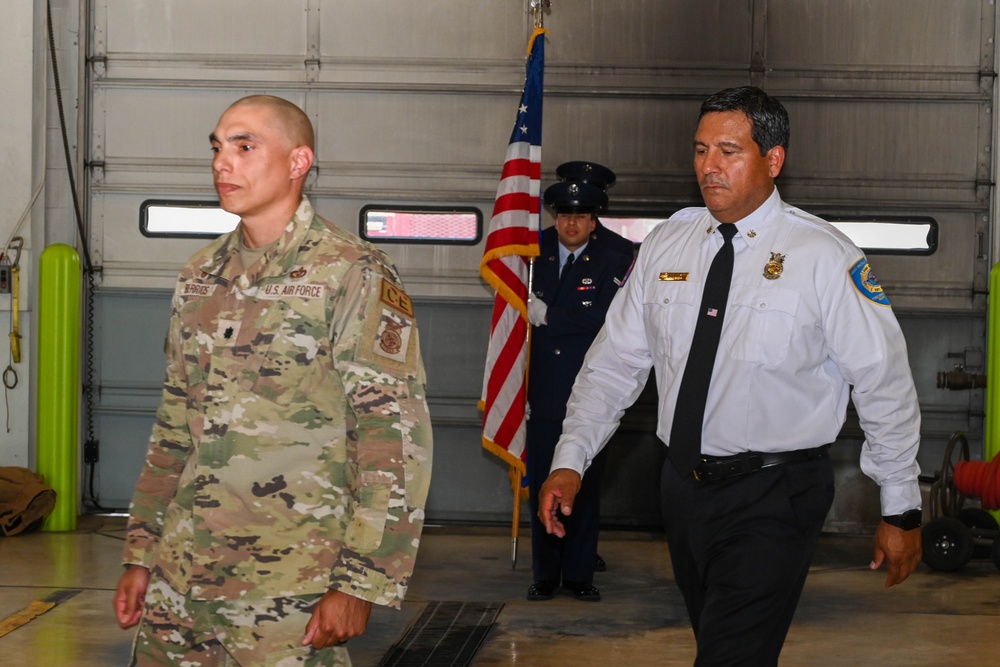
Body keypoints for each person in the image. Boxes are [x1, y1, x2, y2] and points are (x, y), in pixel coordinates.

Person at [537, 86, 922, 665]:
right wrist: (571, 459)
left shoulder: (823, 255)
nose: (708, 167)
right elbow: (614, 364)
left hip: (775, 493)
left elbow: (883, 380)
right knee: (723, 641)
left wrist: (901, 506)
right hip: (682, 489)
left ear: (773, 160)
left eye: (727, 151)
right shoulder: (671, 242)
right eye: (699, 151)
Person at [113, 94, 433, 667]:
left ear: (297, 162)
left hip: (289, 586)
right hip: (180, 578)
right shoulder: (200, 274)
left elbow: (393, 436)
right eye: (216, 146)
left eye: (244, 146)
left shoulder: (351, 271)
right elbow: (173, 426)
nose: (221, 162)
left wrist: (360, 582)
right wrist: (141, 551)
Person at [525, 162, 634, 602]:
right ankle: (545, 574)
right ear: (555, 215)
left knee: (582, 484)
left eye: (581, 216)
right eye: (564, 214)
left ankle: (579, 573)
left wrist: (549, 314)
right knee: (541, 480)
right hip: (542, 388)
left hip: (591, 387)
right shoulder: (533, 250)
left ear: (595, 218)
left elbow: (606, 317)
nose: (571, 223)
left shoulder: (618, 254)